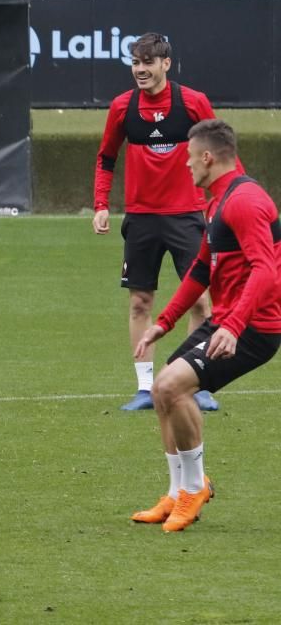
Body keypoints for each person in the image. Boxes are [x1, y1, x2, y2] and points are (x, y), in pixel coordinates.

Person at [133, 119, 281, 531]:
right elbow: (201, 269)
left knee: (169, 386)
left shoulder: (244, 201)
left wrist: (232, 326)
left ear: (207, 157)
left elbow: (266, 270)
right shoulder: (217, 201)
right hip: (226, 320)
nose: (184, 167)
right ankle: (178, 492)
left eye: (187, 159)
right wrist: (163, 323)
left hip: (254, 328)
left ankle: (195, 488)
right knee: (165, 391)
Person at [92, 32, 236, 412]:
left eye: (147, 62)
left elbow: (223, 152)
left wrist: (235, 200)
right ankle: (144, 389)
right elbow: (106, 157)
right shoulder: (122, 107)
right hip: (140, 219)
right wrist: (101, 203)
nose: (140, 70)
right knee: (140, 302)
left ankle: (196, 382)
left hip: (188, 217)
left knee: (202, 303)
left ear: (165, 64)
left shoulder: (192, 102)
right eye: (135, 63)